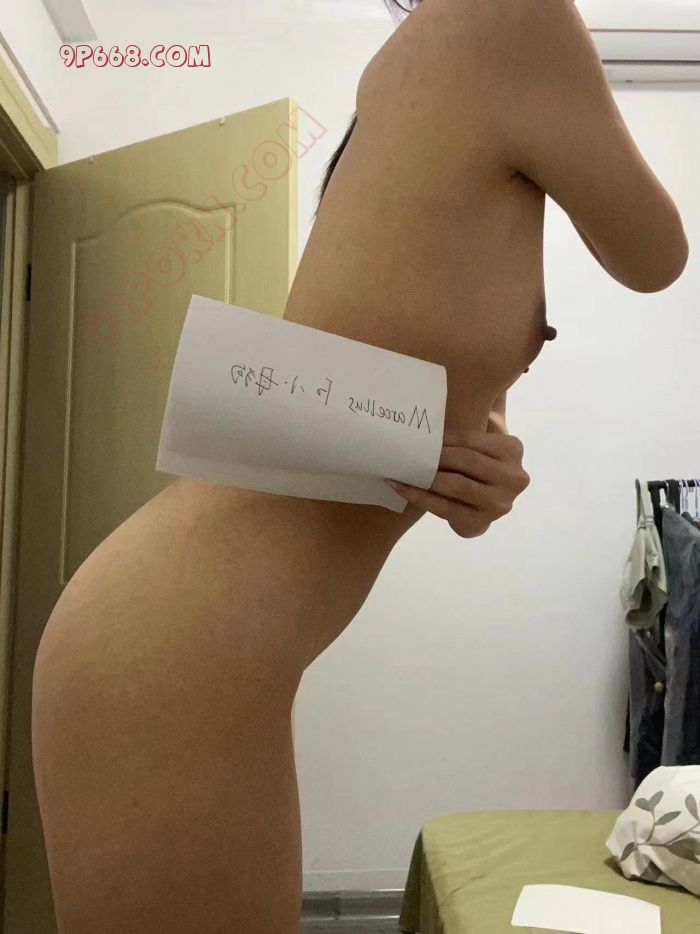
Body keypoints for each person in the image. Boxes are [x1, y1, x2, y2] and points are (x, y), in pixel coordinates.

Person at [31, 0, 688, 931]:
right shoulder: (508, 18)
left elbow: (431, 376)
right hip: (171, 655)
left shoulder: (427, 70)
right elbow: (657, 254)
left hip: (196, 647)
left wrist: (481, 469)